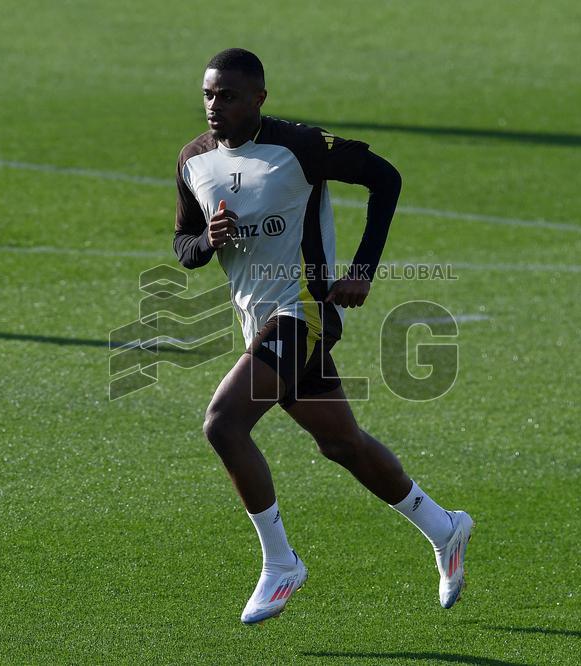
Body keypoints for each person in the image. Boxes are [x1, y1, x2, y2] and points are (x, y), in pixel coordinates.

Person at [173, 48, 473, 625]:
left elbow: (386, 178)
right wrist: (208, 242)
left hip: (302, 311)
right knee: (342, 444)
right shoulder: (192, 161)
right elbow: (184, 247)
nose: (215, 106)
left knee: (224, 423)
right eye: (209, 94)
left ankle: (280, 562)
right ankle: (445, 527)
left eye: (229, 95)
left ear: (259, 98)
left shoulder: (300, 146)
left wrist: (362, 268)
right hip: (256, 322)